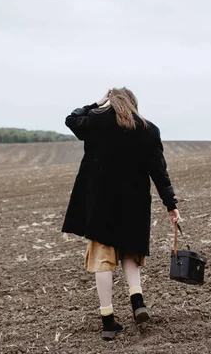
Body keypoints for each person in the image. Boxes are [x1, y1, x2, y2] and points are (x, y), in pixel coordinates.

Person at [62, 88, 181, 341]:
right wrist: (171, 205)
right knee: (130, 253)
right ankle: (137, 301)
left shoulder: (95, 121)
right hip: (134, 205)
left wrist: (95, 103)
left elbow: (71, 119)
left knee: (103, 260)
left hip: (101, 204)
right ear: (133, 103)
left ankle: (108, 321)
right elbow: (160, 172)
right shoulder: (148, 129)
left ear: (111, 102)